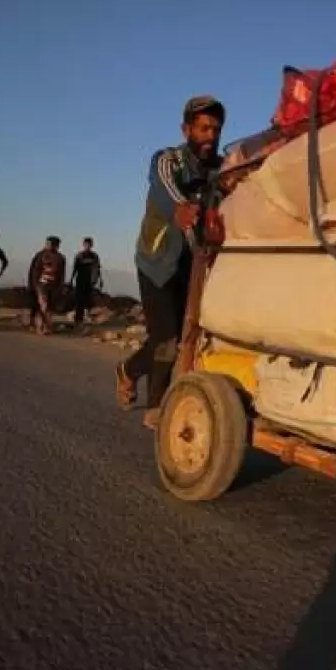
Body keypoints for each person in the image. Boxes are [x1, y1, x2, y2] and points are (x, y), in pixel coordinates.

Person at [116, 95, 226, 428]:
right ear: (186, 129)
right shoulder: (168, 160)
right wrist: (180, 207)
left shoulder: (220, 169)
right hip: (157, 261)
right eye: (204, 128)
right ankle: (157, 407)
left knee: (178, 336)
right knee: (165, 339)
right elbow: (164, 189)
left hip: (192, 266)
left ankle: (129, 369)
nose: (210, 136)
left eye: (216, 129)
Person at [27, 236, 66, 335]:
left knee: (49, 308)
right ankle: (39, 327)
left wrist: (61, 287)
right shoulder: (40, 255)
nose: (48, 245)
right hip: (40, 285)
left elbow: (61, 274)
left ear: (56, 245)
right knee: (42, 306)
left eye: (50, 244)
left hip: (53, 286)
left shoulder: (60, 258)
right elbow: (33, 270)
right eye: (47, 243)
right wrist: (32, 285)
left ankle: (46, 326)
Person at [70, 237, 103, 327]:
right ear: (83, 245)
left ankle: (88, 318)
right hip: (80, 281)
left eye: (89, 244)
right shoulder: (79, 256)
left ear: (91, 245)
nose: (87, 246)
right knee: (79, 301)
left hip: (90, 282)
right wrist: (70, 280)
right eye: (86, 244)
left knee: (89, 300)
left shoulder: (95, 256)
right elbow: (75, 269)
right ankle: (78, 319)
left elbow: (98, 269)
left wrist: (100, 280)